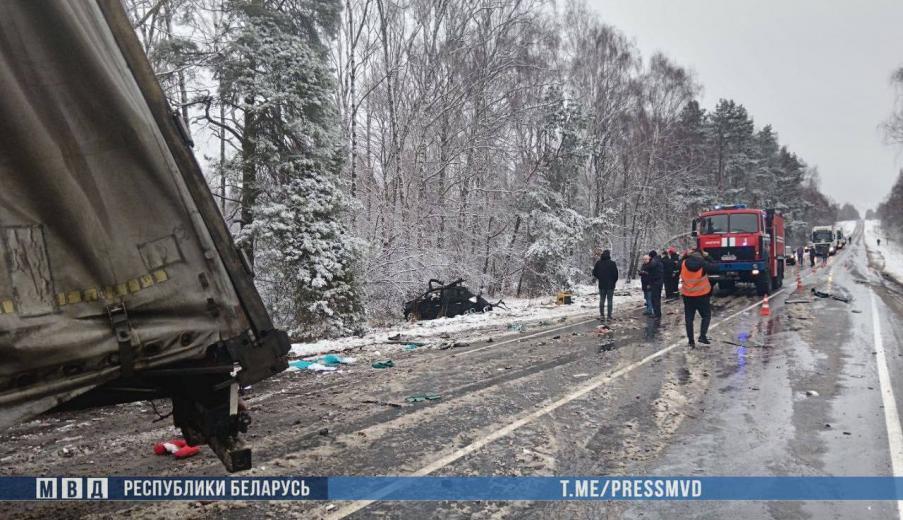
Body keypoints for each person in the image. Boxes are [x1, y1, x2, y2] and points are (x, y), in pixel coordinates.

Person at [679, 248, 717, 346]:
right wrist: (708, 256)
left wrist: (685, 255)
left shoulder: (683, 263)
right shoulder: (703, 264)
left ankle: (691, 341)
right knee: (706, 316)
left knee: (689, 319)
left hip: (687, 295)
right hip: (702, 295)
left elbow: (676, 264)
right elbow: (716, 267)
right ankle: (702, 336)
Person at [592, 249, 619, 322]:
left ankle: (602, 315)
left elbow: (594, 272)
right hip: (610, 285)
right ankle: (609, 316)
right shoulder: (612, 263)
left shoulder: (598, 263)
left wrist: (599, 277)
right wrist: (613, 281)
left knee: (602, 300)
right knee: (610, 300)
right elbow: (616, 275)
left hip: (602, 284)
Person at [646, 250, 664, 319]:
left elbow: (651, 268)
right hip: (659, 282)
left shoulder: (654, 261)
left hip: (655, 282)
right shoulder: (659, 261)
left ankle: (657, 314)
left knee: (655, 298)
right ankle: (658, 313)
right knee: (657, 298)